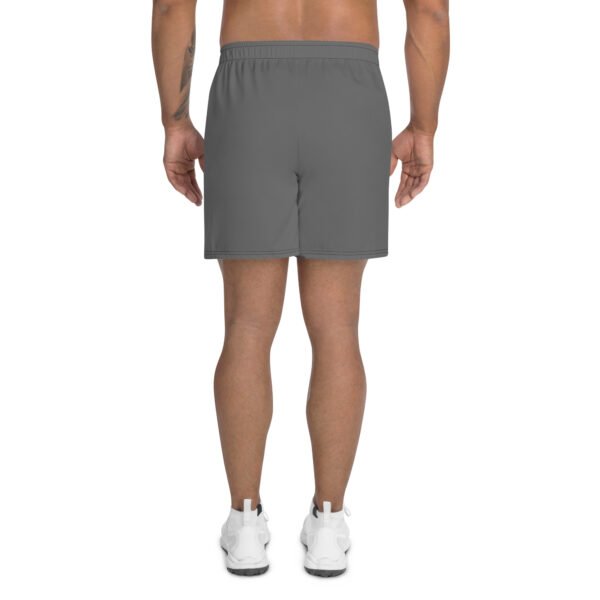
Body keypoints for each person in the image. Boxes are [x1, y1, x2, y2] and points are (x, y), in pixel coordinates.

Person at [151, 0, 449, 577]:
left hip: (248, 92)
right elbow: (430, 13)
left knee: (246, 325)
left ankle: (244, 523)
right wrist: (424, 127)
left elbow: (171, 8)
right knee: (337, 328)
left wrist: (174, 121)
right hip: (349, 90)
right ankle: (329, 524)